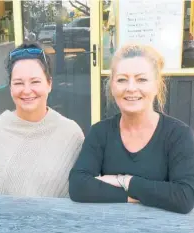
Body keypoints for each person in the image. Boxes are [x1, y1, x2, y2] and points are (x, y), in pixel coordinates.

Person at [69, 44, 194, 214]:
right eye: (122, 79)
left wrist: (125, 181)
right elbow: (78, 186)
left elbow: (184, 197)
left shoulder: (178, 134)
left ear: (156, 85)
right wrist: (135, 197)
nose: (131, 88)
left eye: (141, 79)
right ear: (112, 86)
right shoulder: (100, 132)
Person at [0, 42, 84, 197]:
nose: (26, 90)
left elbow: (82, 195)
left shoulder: (70, 133)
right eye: (18, 83)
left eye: (35, 81)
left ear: (49, 84)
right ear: (10, 87)